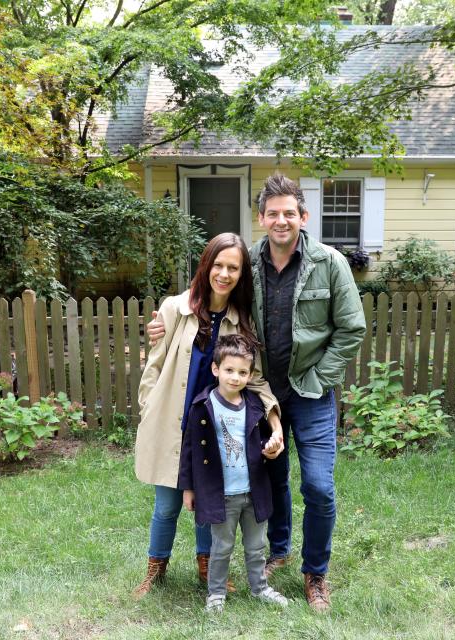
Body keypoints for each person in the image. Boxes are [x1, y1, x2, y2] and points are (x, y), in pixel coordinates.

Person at [148, 174, 366, 611]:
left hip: (311, 394)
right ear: (261, 219)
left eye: (290, 213)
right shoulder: (249, 262)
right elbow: (213, 290)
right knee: (272, 480)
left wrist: (321, 377)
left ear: (303, 216)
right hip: (262, 398)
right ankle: (278, 550)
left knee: (319, 487)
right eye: (272, 213)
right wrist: (165, 318)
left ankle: (315, 574)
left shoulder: (329, 263)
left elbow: (351, 329)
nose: (281, 220)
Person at [133, 232, 284, 599]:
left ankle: (207, 565)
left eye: (233, 267)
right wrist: (148, 407)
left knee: (209, 499)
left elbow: (255, 377)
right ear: (206, 265)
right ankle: (156, 568)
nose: (224, 273)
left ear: (240, 274)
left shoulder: (241, 319)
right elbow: (153, 367)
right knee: (167, 505)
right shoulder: (174, 309)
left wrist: (274, 419)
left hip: (215, 427)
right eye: (218, 264)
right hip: (172, 422)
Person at [179, 334, 290, 612]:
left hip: (253, 491)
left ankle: (260, 587)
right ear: (216, 369)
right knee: (222, 547)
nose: (235, 377)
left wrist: (271, 445)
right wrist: (189, 489)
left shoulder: (254, 405)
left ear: (250, 375)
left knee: (256, 546)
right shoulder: (202, 406)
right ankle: (216, 594)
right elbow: (189, 450)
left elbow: (267, 442)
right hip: (221, 494)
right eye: (229, 370)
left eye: (242, 372)